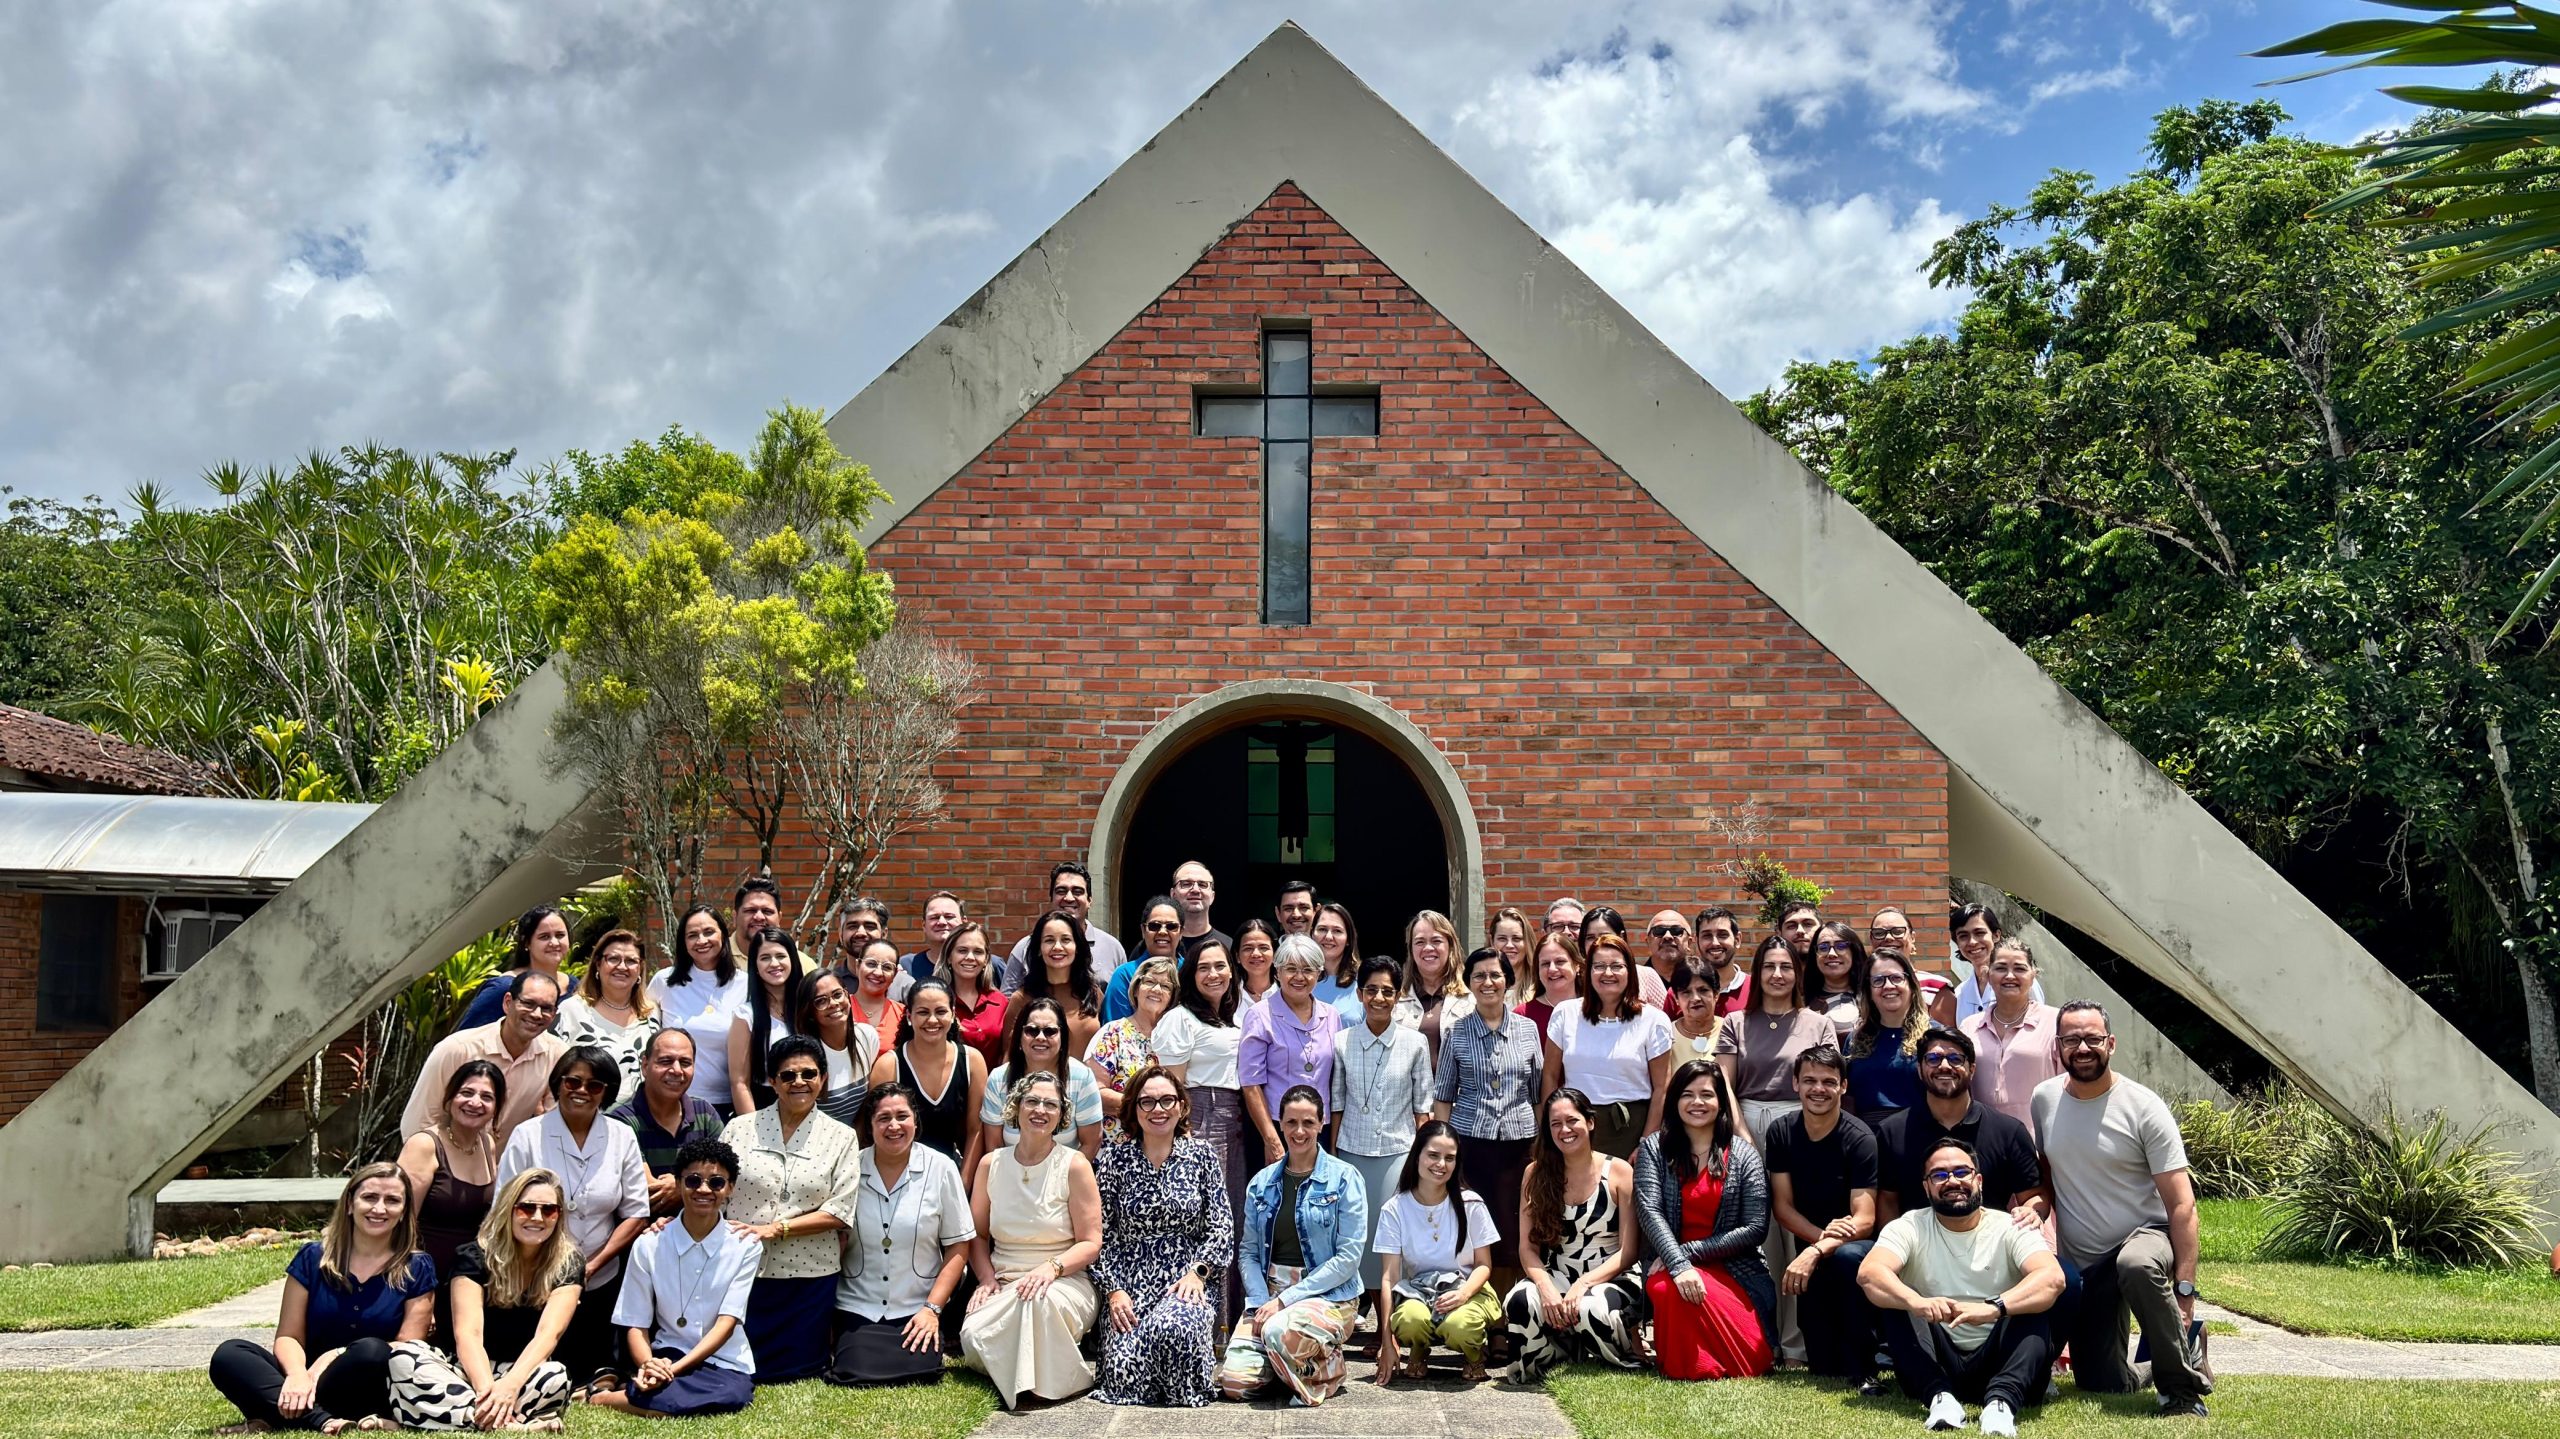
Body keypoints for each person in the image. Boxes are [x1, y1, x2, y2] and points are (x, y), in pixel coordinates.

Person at [2026, 1002, 2212, 1418]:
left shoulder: (2143, 1107)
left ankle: (2180, 1391)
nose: (2083, 1047)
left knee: (2137, 1263)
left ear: (2110, 1043)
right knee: (2102, 1380)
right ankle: (2184, 1350)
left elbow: (2182, 1204)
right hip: (2088, 1265)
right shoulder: (2044, 1099)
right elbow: (2048, 1176)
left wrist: (2185, 1293)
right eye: (2072, 1039)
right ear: (2058, 1047)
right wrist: (2036, 1208)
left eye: (2093, 1038)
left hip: (2144, 1236)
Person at [1858, 1138, 2066, 1439]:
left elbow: (2052, 1278)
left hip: (2000, 1359)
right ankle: (1940, 1401)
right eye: (1939, 1175)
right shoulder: (1909, 1226)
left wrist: (1994, 1307)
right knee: (1897, 1301)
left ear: (1978, 1180)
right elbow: (1869, 1273)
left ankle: (2001, 1405)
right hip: (1935, 1360)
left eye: (1961, 1172)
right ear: (1927, 1187)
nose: (1952, 1181)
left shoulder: (2011, 1226)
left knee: (2032, 1305)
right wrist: (1916, 1301)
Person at [208, 1162, 435, 1434]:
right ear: (350, 1204)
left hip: (366, 1382)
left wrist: (335, 1354)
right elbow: (289, 1336)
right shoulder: (312, 1258)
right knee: (230, 1354)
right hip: (304, 1381)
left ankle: (278, 1415)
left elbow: (408, 1346)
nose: (379, 1208)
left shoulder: (417, 1266)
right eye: (370, 1197)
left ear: (404, 1212)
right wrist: (296, 1375)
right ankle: (321, 1419)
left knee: (373, 1351)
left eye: (392, 1201)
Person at [495, 1045, 651, 1385]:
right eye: (573, 1082)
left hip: (601, 1275)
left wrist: (591, 1266)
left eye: (594, 1086)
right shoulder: (528, 1134)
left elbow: (636, 1213)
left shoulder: (621, 1135)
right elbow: (503, 1208)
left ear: (606, 1092)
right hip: (534, 1275)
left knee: (590, 1369)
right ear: (558, 1084)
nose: (582, 1091)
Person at [385, 1167, 582, 1431]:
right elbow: (468, 1335)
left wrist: (510, 1386)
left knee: (555, 1375)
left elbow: (548, 1336)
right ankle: (513, 1426)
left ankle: (452, 1418)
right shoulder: (474, 1256)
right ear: (508, 1210)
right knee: (404, 1356)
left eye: (549, 1210)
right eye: (526, 1208)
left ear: (559, 1216)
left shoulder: (568, 1263)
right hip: (466, 1370)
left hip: (522, 1372)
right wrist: (489, 1392)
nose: (537, 1217)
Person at [716, 1034, 863, 1384]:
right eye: (788, 1075)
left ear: (822, 1079)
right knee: (738, 1367)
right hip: (743, 1271)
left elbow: (839, 1212)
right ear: (772, 1081)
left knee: (797, 1372)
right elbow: (714, 1191)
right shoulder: (739, 1129)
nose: (799, 1082)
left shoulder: (841, 1137)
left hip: (808, 1279)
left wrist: (775, 1229)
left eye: (809, 1074)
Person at [586, 1138, 760, 1419]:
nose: (704, 1189)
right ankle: (639, 1390)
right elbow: (635, 1322)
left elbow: (726, 1325)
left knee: (733, 1396)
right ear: (678, 1184)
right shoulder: (649, 1244)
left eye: (716, 1182)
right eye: (693, 1180)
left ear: (730, 1188)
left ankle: (608, 1397)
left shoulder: (746, 1246)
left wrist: (671, 1373)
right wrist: (649, 1366)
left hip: (724, 1360)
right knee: (681, 1396)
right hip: (668, 1352)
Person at [960, 1070, 1104, 1409]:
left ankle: (1046, 1386)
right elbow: (977, 1235)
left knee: (1037, 1302)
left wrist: (1050, 1269)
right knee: (973, 1335)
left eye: (1050, 1105)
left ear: (1061, 1116)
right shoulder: (989, 1164)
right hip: (1005, 1280)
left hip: (1064, 1281)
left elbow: (1091, 1242)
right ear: (1015, 1108)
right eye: (1032, 1101)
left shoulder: (1074, 1165)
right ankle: (1034, 1372)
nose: (1040, 1110)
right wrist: (985, 1278)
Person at [1093, 1064, 1235, 1407]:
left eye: (1167, 1100)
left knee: (1175, 1335)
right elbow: (1101, 1235)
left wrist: (1199, 1273)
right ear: (1134, 1109)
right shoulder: (1114, 1161)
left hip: (1186, 1278)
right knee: (1125, 1370)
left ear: (1182, 1106)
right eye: (1147, 1102)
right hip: (1130, 1282)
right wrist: (1113, 1291)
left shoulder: (1202, 1157)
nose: (1158, 1109)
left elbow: (1221, 1225)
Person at [1218, 1085, 1368, 1407]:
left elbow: (1348, 1258)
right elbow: (1249, 1251)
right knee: (1235, 1384)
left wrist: (1285, 1301)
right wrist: (1260, 1301)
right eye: (1291, 1123)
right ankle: (1288, 1364)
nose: (1299, 1132)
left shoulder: (1345, 1178)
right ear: (1280, 1124)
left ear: (1321, 1123)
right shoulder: (1261, 1182)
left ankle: (1327, 1368)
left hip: (1328, 1296)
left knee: (1276, 1330)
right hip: (1270, 1295)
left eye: (1308, 1123)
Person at [1631, 1061, 1776, 1382]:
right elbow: (1648, 1210)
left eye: (1706, 1095)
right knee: (1665, 1287)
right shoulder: (1653, 1148)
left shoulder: (1744, 1154)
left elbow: (1755, 1228)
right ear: (1674, 1101)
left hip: (1734, 1267)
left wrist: (1687, 1256)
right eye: (1687, 1094)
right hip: (1668, 1265)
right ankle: (1694, 1366)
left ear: (1721, 1102)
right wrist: (1678, 1265)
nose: (1697, 1103)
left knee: (1754, 1359)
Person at [829, 1085, 974, 1386]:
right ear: (870, 1127)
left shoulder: (942, 1168)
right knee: (854, 1371)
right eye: (883, 1118)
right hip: (859, 1304)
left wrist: (932, 1310)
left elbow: (959, 1246)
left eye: (902, 1116)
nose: (893, 1126)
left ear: (915, 1122)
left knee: (921, 1371)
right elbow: (836, 1238)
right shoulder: (850, 1168)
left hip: (917, 1305)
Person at [1503, 1088, 1644, 1381]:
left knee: (1590, 1307)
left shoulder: (1619, 1171)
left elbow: (1629, 1251)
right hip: (1557, 1270)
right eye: (1556, 1124)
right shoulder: (1536, 1173)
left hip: (1612, 1273)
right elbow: (1527, 1249)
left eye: (1572, 1121)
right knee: (1518, 1301)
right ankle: (1558, 1357)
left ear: (1590, 1122)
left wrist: (1583, 1284)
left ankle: (1619, 1359)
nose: (1565, 1130)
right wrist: (1545, 1287)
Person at [1434, 945, 1543, 1311]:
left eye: (1496, 974)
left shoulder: (1527, 1030)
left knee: (1514, 1230)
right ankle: (1479, 1314)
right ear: (1468, 983)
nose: (1488, 982)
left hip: (1519, 1144)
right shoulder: (1458, 1032)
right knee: (1476, 1228)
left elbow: (1538, 1092)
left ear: (1508, 981)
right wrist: (1441, 1148)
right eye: (1478, 975)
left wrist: (1543, 1145)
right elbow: (1444, 1095)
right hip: (1471, 1145)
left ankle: (1508, 1320)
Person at [1762, 1044, 1880, 1379]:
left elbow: (1865, 1220)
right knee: (1823, 1365)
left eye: (1829, 1082)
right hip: (1810, 1245)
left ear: (1843, 1086)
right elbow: (1782, 1207)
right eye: (1810, 1080)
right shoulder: (1781, 1132)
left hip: (1853, 1252)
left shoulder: (1860, 1138)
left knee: (1845, 1259)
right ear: (1795, 1084)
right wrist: (1816, 1247)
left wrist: (1818, 1250)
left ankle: (1866, 1362)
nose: (1819, 1089)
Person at [1331, 955, 1434, 1302]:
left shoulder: (1414, 1042)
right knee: (1355, 1235)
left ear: (1398, 995)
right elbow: (1337, 1104)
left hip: (1398, 1151)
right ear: (1360, 994)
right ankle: (1366, 1311)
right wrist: (1332, 1157)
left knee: (1390, 1235)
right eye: (1371, 990)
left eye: (1387, 991)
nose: (1378, 998)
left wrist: (1422, 1162)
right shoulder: (1342, 1042)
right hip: (1351, 1151)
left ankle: (1388, 1323)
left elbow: (1423, 1109)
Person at [1155, 939, 1246, 1324]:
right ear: (1190, 975)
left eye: (1220, 966)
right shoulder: (1180, 1018)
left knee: (1232, 1220)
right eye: (1203, 967)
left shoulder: (1234, 1015)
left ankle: (1229, 1321)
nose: (1214, 974)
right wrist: (1184, 1137)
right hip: (1199, 1119)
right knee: (1204, 1220)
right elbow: (1171, 1087)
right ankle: (1197, 1319)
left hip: (1234, 1119)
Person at [1873, 1027, 2045, 1227]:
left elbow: (2034, 1196)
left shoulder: (2009, 1132)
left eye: (1955, 1059)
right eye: (1933, 1059)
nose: (1944, 1066)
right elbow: (1887, 1200)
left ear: (1972, 1069)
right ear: (1920, 1070)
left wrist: (2032, 1212)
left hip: (1990, 1249)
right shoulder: (1892, 1133)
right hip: (1917, 1250)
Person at [1372, 1120, 1502, 1384]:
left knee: (1460, 1327)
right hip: (1419, 1290)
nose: (1441, 1165)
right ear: (1416, 1155)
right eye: (1433, 1155)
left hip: (1468, 1289)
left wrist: (1463, 1294)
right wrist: (1388, 1343)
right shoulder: (1394, 1209)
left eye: (1449, 1158)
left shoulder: (1472, 1204)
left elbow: (1484, 1265)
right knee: (1409, 1320)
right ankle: (1418, 1350)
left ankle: (1474, 1354)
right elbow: (1389, 1278)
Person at [395, 1060, 502, 1346]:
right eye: (466, 1093)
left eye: (487, 1097)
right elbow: (400, 1224)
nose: (475, 1103)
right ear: (450, 1098)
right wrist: (419, 1296)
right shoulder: (425, 1145)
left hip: (468, 1278)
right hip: (424, 1278)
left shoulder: (487, 1144)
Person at [1540, 933, 1674, 1158]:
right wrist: (1550, 1130)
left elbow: (1662, 1087)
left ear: (1629, 971)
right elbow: (1550, 1076)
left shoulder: (1654, 1020)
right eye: (1599, 966)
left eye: (1616, 966)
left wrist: (1646, 1141)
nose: (1608, 973)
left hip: (1632, 1131)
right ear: (1588, 971)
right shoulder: (1565, 1013)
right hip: (1574, 1127)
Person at [403, 971, 567, 1144]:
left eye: (546, 1008)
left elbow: (555, 1123)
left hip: (505, 1167)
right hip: (445, 1163)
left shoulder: (557, 1056)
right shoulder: (457, 1048)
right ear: (508, 1002)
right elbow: (419, 1123)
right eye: (528, 1003)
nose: (536, 1014)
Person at [1714, 936, 1836, 1149]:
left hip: (1803, 1127)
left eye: (1786, 967)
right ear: (1757, 973)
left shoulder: (1820, 1024)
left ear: (1797, 974)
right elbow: (1724, 1087)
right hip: (1744, 1126)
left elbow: (1830, 1086)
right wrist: (1743, 1136)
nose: (1777, 974)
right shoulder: (1735, 1022)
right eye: (1769, 966)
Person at [1238, 933, 1341, 1162]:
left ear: (1319, 973)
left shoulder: (1331, 1015)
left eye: (1308, 969)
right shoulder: (1259, 1015)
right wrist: (1271, 1139)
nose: (1299, 977)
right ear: (1277, 972)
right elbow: (1250, 1084)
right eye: (1291, 968)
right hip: (1278, 1127)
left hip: (1319, 1127)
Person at [871, 977, 988, 1177]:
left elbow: (975, 1129)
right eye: (923, 1012)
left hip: (952, 1171)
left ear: (953, 1015)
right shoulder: (888, 1066)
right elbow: (877, 1131)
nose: (932, 1020)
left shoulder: (972, 1061)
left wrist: (962, 1184)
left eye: (940, 1011)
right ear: (909, 1016)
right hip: (900, 1175)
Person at [608, 1030, 727, 1216]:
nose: (677, 1070)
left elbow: (722, 1177)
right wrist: (691, 1182)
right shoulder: (621, 1119)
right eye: (666, 1061)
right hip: (640, 1234)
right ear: (645, 1065)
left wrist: (678, 1184)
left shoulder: (705, 1113)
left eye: (685, 1063)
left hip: (699, 1229)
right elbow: (649, 1190)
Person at [647, 905, 748, 1115]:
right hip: (673, 1101)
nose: (701, 941)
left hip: (727, 1103)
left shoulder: (745, 985)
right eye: (692, 935)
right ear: (684, 943)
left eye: (709, 932)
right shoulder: (665, 981)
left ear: (723, 934)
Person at [980, 995, 1107, 1158]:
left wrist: (1060, 1180)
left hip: (1066, 1177)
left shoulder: (1082, 1077)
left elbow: (1091, 1142)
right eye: (1032, 1031)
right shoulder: (999, 1079)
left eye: (1050, 1031)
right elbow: (994, 1147)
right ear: (1020, 1036)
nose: (1040, 1037)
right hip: (1010, 1175)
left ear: (1063, 1038)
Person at [1963, 937, 2063, 1134]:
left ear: (2033, 975)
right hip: (1983, 1140)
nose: (2009, 976)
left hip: (2039, 1142)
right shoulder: (1969, 1026)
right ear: (1988, 974)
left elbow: (2070, 1085)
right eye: (2000, 968)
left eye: (2019, 968)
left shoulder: (2056, 1022)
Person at [556, 928, 659, 1106]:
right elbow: (553, 1071)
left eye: (631, 961)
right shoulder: (571, 1010)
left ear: (640, 968)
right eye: (613, 959)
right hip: (587, 1118)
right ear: (598, 964)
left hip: (642, 1122)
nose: (622, 967)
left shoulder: (652, 1013)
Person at [1001, 862, 1126, 992]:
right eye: (1061, 891)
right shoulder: (1025, 948)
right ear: (1051, 898)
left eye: (1077, 891)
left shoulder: (1113, 949)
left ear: (1089, 900)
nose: (1069, 898)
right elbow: (1008, 1002)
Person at [724, 926, 807, 1116]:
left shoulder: (807, 1007)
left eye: (781, 956)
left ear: (792, 959)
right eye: (765, 958)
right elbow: (739, 1083)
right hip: (764, 1109)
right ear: (755, 966)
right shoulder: (745, 1016)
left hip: (809, 1104)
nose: (774, 963)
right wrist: (751, 1132)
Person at [455, 907, 577, 1033]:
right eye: (544, 937)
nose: (554, 942)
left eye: (560, 935)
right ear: (526, 943)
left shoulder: (575, 986)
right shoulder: (503, 987)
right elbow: (467, 1038)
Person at [1090, 954, 1179, 1117]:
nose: (1156, 990)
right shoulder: (1112, 1033)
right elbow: (1095, 1092)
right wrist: (1145, 1107)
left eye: (1165, 986)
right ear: (1137, 989)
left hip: (1164, 1138)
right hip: (1119, 1138)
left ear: (1172, 997)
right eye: (1150, 982)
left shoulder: (1176, 1038)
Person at [1008, 909, 1104, 1060]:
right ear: (1039, 949)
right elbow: (1009, 1058)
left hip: (1086, 1082)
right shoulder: (1021, 999)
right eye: (1049, 940)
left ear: (1077, 947)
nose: (1057, 947)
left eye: (1065, 939)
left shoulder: (1093, 994)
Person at [1850, 949, 1929, 1126]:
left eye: (1896, 978)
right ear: (1868, 990)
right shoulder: (1855, 1039)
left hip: (1918, 1134)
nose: (1888, 986)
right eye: (1878, 980)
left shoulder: (1933, 1037)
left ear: (1911, 984)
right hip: (1868, 1138)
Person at [795, 969, 880, 1129]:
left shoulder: (867, 1036)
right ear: (810, 1011)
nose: (833, 1003)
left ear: (847, 995)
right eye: (821, 1001)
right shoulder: (803, 1056)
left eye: (837, 994)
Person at [1950, 902, 2044, 1023]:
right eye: (1963, 936)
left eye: (1979, 933)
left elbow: (2040, 1026)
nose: (1972, 942)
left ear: (1996, 935)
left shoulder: (2019, 980)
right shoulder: (1960, 994)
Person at [1398, 910, 1468, 1066]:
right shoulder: (1396, 1000)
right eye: (1420, 942)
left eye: (1436, 940)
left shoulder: (1471, 998)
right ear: (1411, 949)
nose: (1428, 948)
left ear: (1450, 946)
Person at [937, 920, 1011, 1064]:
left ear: (986, 960)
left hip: (993, 1085)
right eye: (962, 950)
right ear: (949, 957)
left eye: (978, 952)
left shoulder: (1000, 1002)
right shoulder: (935, 1001)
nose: (970, 957)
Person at [839, 936, 908, 1055]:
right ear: (858, 965)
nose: (877, 972)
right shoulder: (840, 1008)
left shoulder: (903, 1015)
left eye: (887, 967)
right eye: (871, 964)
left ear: (895, 973)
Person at [1515, 930, 1581, 1045]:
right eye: (1545, 964)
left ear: (1576, 965)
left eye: (1560, 961)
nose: (1552, 969)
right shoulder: (1522, 1016)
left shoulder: (1595, 1009)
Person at [1809, 922, 1869, 1045]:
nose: (1831, 954)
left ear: (1854, 951)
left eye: (1841, 946)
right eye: (1823, 948)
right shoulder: (1802, 1001)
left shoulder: (1873, 996)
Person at [900, 891, 967, 994]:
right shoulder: (907, 965)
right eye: (934, 917)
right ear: (923, 925)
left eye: (949, 916)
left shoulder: (989, 965)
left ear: (964, 922)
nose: (942, 922)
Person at [1666, 959, 1725, 1071]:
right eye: (1686, 992)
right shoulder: (1667, 1035)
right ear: (1676, 998)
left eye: (1703, 990)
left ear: (1716, 994)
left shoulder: (1730, 1031)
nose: (1695, 998)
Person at [1171, 860, 1232, 962]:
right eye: (1186, 884)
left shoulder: (1229, 946)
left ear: (1212, 896)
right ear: (1173, 895)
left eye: (1202, 884)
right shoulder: (1156, 945)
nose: (1195, 890)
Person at [1695, 907, 1748, 1016]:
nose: (1715, 943)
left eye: (1722, 935)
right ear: (1697, 941)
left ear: (1737, 940)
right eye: (1707, 936)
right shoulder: (1679, 992)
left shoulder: (1756, 990)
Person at [1310, 902, 1362, 1014]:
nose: (1328, 937)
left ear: (1348, 939)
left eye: (1337, 931)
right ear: (1312, 934)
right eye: (1322, 929)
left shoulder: (1364, 980)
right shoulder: (1299, 979)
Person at [1641, 908, 1692, 1010]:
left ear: (1689, 942)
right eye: (1659, 931)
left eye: (1676, 931)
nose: (1667, 936)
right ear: (1648, 941)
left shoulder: (1702, 980)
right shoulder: (1636, 981)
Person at [1232, 918, 1280, 1006]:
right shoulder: (1227, 997)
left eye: (1263, 948)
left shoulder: (1287, 994)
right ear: (1237, 956)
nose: (1256, 954)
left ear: (1275, 954)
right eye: (1248, 948)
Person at [1486, 905, 1530, 983]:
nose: (1509, 945)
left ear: (1527, 942)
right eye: (1502, 939)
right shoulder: (1478, 987)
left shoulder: (1541, 986)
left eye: (1516, 939)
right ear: (1492, 941)